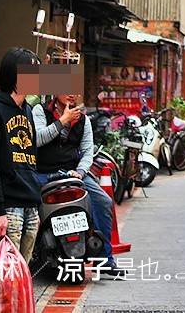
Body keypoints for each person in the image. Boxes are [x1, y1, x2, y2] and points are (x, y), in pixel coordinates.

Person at [31, 93, 124, 278]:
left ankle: (104, 259)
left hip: (72, 173)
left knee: (104, 201)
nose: (70, 92)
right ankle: (31, 255)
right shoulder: (40, 111)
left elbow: (88, 151)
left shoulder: (83, 119)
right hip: (42, 173)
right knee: (28, 205)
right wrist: (63, 121)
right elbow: (37, 139)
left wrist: (80, 172)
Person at [0, 47, 42, 262]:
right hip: (9, 207)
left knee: (22, 275)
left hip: (30, 205)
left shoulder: (28, 111)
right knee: (5, 276)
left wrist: (36, 206)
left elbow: (31, 159)